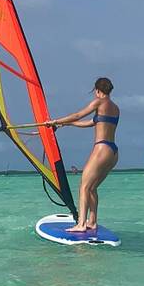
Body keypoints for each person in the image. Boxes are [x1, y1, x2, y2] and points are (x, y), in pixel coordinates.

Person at [45, 77, 119, 232]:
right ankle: (92, 221)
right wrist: (66, 123)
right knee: (92, 188)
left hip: (101, 148)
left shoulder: (99, 102)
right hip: (113, 152)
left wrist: (55, 121)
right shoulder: (115, 107)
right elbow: (91, 122)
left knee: (84, 187)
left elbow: (78, 115)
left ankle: (81, 224)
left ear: (97, 91)